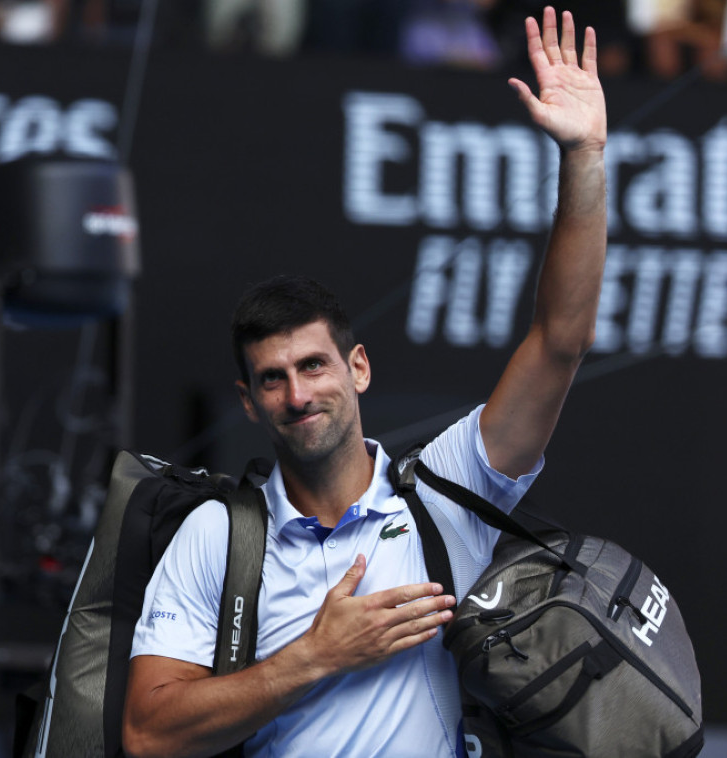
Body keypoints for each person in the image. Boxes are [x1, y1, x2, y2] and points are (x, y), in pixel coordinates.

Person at [122, 6, 607, 757]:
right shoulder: (218, 534)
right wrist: (316, 656)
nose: (299, 394)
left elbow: (561, 341)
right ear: (249, 403)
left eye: (314, 365)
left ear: (359, 368)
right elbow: (150, 734)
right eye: (273, 379)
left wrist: (584, 157)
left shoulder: (448, 492)